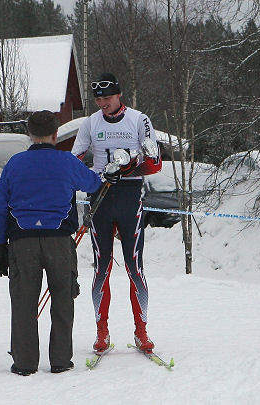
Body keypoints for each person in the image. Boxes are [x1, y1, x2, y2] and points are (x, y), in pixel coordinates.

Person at [0, 110, 102, 376]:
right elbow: (92, 183)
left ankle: (25, 362)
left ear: (30, 135)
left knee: (23, 303)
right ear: (55, 135)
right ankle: (61, 360)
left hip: (22, 241)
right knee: (63, 300)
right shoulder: (66, 161)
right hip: (59, 242)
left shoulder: (15, 164)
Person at [71, 72, 162, 354]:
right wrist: (91, 177)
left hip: (129, 196)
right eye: (98, 99)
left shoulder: (139, 119)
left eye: (107, 98)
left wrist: (127, 168)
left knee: (135, 266)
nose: (102, 103)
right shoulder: (91, 122)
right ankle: (102, 332)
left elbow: (155, 163)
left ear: (119, 95)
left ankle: (141, 331)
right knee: (102, 267)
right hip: (100, 195)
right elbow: (75, 160)